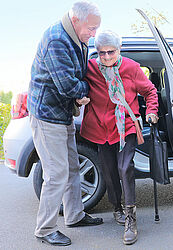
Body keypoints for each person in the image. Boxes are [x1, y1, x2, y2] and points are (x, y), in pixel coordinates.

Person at [27, 1, 103, 247]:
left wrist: (81, 89)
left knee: (72, 167)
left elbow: (78, 77)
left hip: (62, 114)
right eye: (91, 28)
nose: (93, 34)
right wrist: (88, 90)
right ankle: (45, 229)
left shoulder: (77, 36)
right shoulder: (56, 39)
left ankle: (75, 215)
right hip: (47, 117)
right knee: (56, 174)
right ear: (76, 19)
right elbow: (69, 85)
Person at [79, 30, 159, 245]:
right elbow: (79, 88)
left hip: (126, 126)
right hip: (100, 127)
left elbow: (150, 91)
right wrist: (79, 100)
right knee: (109, 171)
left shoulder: (131, 67)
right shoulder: (91, 67)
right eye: (101, 52)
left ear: (119, 49)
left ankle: (131, 219)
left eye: (110, 52)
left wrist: (152, 111)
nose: (105, 57)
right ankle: (117, 207)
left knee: (125, 167)